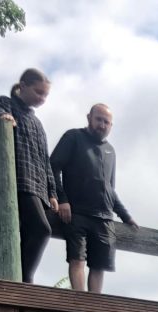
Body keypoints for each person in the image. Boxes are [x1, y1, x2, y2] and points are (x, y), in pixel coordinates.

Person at [50, 103, 138, 293]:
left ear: (111, 126)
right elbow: (53, 167)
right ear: (89, 117)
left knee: (99, 266)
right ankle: (80, 304)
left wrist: (125, 216)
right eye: (99, 119)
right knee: (77, 259)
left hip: (104, 218)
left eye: (107, 122)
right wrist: (62, 199)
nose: (102, 125)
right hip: (77, 213)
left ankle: (95, 306)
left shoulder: (111, 151)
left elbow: (109, 189)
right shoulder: (73, 137)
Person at [0, 68, 58, 283]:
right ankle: (24, 279)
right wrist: (3, 117)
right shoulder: (6, 103)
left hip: (38, 186)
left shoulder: (38, 123)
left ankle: (18, 276)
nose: (42, 98)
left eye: (45, 95)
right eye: (38, 92)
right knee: (42, 229)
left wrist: (52, 192)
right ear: (22, 86)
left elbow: (45, 160)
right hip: (19, 181)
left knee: (28, 231)